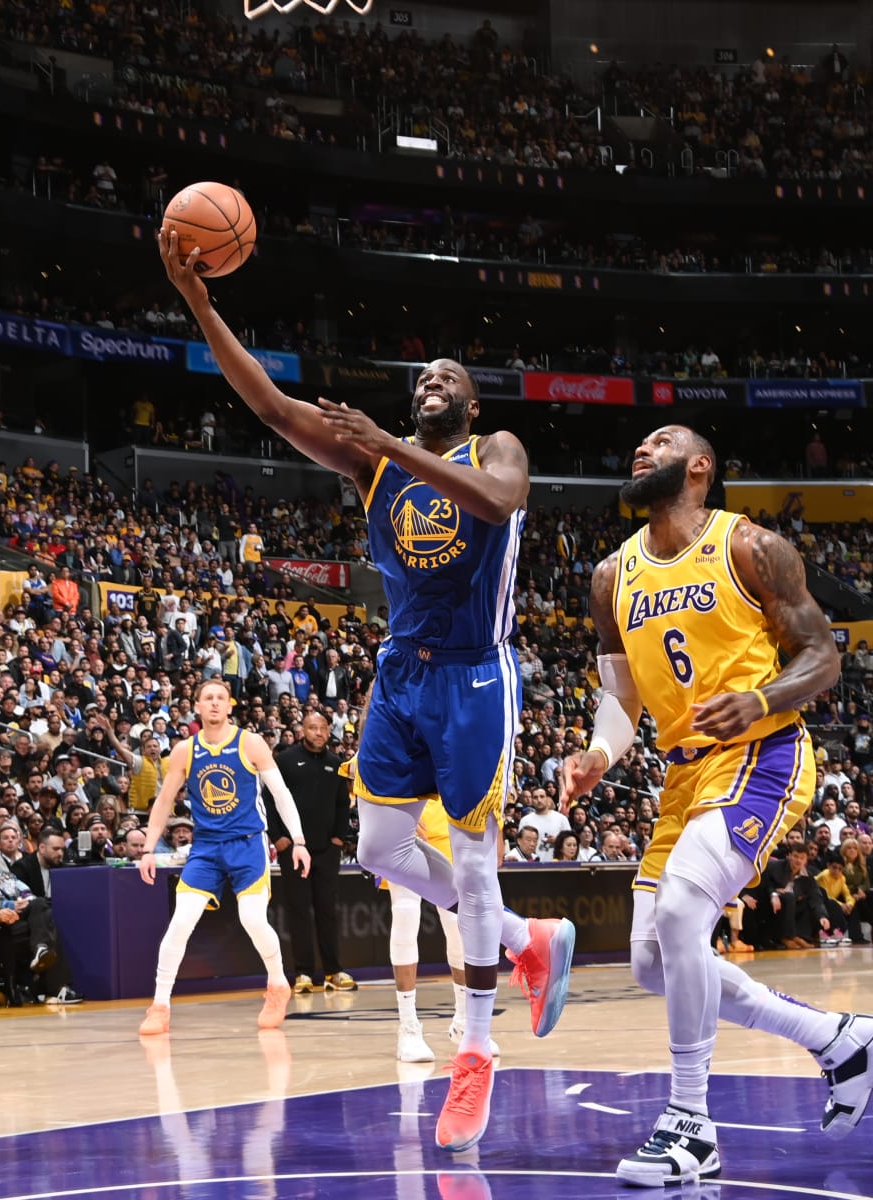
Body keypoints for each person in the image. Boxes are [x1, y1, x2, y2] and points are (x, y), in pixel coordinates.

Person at [165, 230, 575, 1153]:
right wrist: (196, 299)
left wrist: (387, 439)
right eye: (420, 377)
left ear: (467, 404)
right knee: (381, 850)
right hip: (400, 674)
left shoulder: (495, 447)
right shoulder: (371, 467)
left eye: (446, 378)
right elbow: (269, 406)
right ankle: (524, 938)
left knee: (470, 859)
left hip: (476, 672)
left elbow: (498, 502)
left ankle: (474, 1054)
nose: (431, 381)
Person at [561, 426, 873, 1186]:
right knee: (654, 962)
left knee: (682, 911)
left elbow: (823, 656)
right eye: (638, 443)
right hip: (684, 778)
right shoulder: (612, 576)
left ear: (700, 467)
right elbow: (622, 698)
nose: (642, 449)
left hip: (765, 753)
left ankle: (690, 1125)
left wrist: (759, 699)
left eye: (662, 440)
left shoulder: (750, 547)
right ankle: (840, 1038)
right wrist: (599, 754)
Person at [136, 679, 309, 1036]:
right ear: (196, 707)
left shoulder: (251, 743)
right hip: (207, 847)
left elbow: (281, 793)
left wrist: (299, 840)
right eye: (207, 698)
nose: (214, 704)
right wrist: (148, 848)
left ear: (229, 706)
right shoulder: (185, 750)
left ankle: (277, 985)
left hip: (248, 843)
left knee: (252, 919)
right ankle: (160, 1005)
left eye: (220, 698)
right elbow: (165, 801)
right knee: (180, 922)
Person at [387, 797, 491, 1064]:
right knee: (405, 914)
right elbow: (362, 770)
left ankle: (464, 1022)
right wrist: (390, 811)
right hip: (402, 822)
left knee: (457, 924)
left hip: (449, 824)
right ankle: (408, 1027)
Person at [270, 710, 352, 994]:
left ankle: (333, 970)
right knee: (299, 911)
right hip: (293, 849)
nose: (318, 733)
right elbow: (270, 799)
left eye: (323, 728)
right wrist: (278, 837)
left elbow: (344, 804)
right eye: (312, 728)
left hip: (327, 850)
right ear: (302, 730)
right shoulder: (286, 760)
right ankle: (303, 972)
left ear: (329, 731)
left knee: (328, 910)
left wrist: (339, 839)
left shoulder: (336, 764)